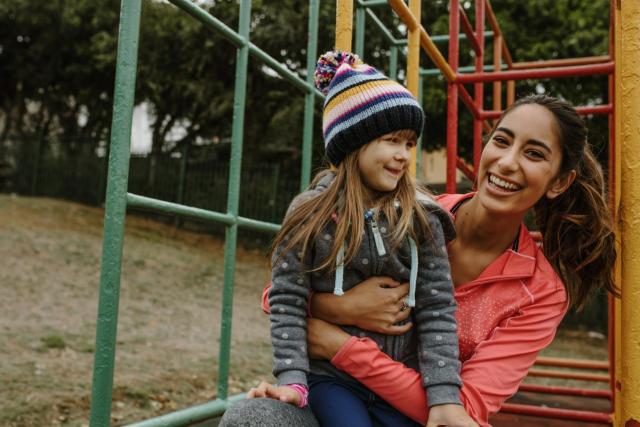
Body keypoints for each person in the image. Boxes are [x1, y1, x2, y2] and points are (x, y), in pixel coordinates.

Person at [220, 91, 617, 427]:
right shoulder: (407, 213)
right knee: (251, 418)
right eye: (501, 140)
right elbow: (278, 295)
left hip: (419, 417)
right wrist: (343, 307)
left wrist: (339, 343)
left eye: (533, 153)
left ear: (559, 181)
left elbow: (465, 409)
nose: (507, 162)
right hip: (334, 391)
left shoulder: (540, 292)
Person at [262, 50, 476, 427]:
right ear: (352, 144)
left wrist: (444, 396)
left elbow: (438, 308)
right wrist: (293, 380)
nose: (403, 155)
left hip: (400, 378)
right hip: (334, 379)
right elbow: (286, 298)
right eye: (392, 140)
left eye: (410, 144)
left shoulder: (423, 218)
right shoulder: (309, 214)